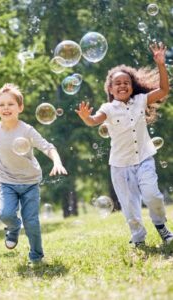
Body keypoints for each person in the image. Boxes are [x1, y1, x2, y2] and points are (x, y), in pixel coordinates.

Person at [75, 43, 172, 247]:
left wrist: (161, 64)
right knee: (129, 207)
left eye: (126, 82)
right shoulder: (108, 108)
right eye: (117, 83)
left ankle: (161, 226)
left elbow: (163, 90)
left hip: (144, 158)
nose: (122, 85)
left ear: (132, 85)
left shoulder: (140, 100)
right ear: (110, 89)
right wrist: (86, 117)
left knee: (152, 194)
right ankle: (138, 238)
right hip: (120, 165)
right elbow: (94, 120)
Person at [0, 83, 67, 265]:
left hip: (30, 182)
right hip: (7, 182)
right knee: (5, 214)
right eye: (2, 104)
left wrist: (57, 161)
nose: (6, 108)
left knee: (32, 223)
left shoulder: (26, 130)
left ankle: (36, 256)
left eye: (11, 104)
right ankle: (14, 227)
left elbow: (47, 146)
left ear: (20, 107)